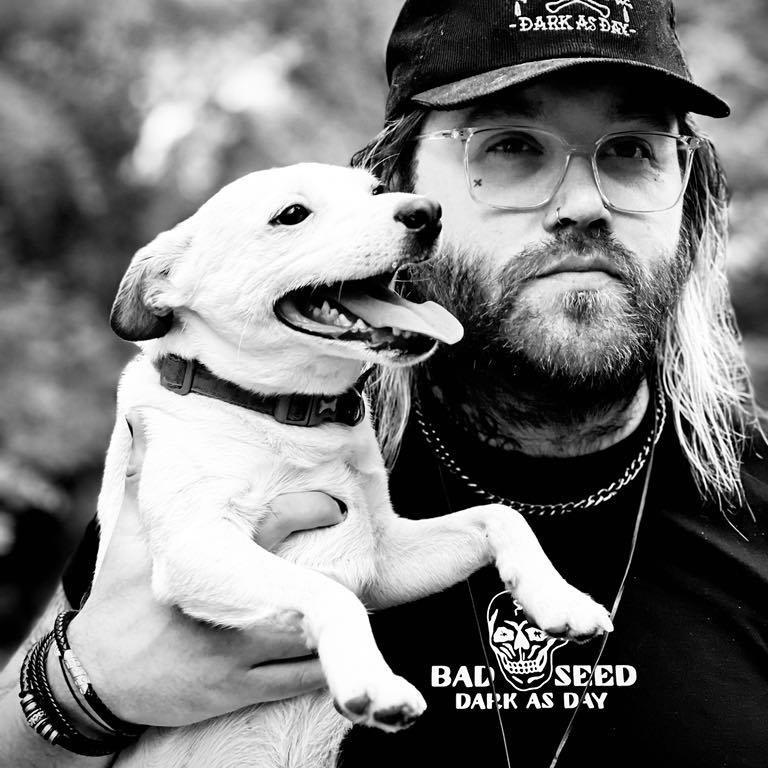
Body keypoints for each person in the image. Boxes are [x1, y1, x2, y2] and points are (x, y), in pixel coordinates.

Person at [2, 0, 767, 766]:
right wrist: (82, 688)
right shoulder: (245, 437)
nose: (583, 206)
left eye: (631, 149)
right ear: (398, 184)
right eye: (510, 146)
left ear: (690, 191)